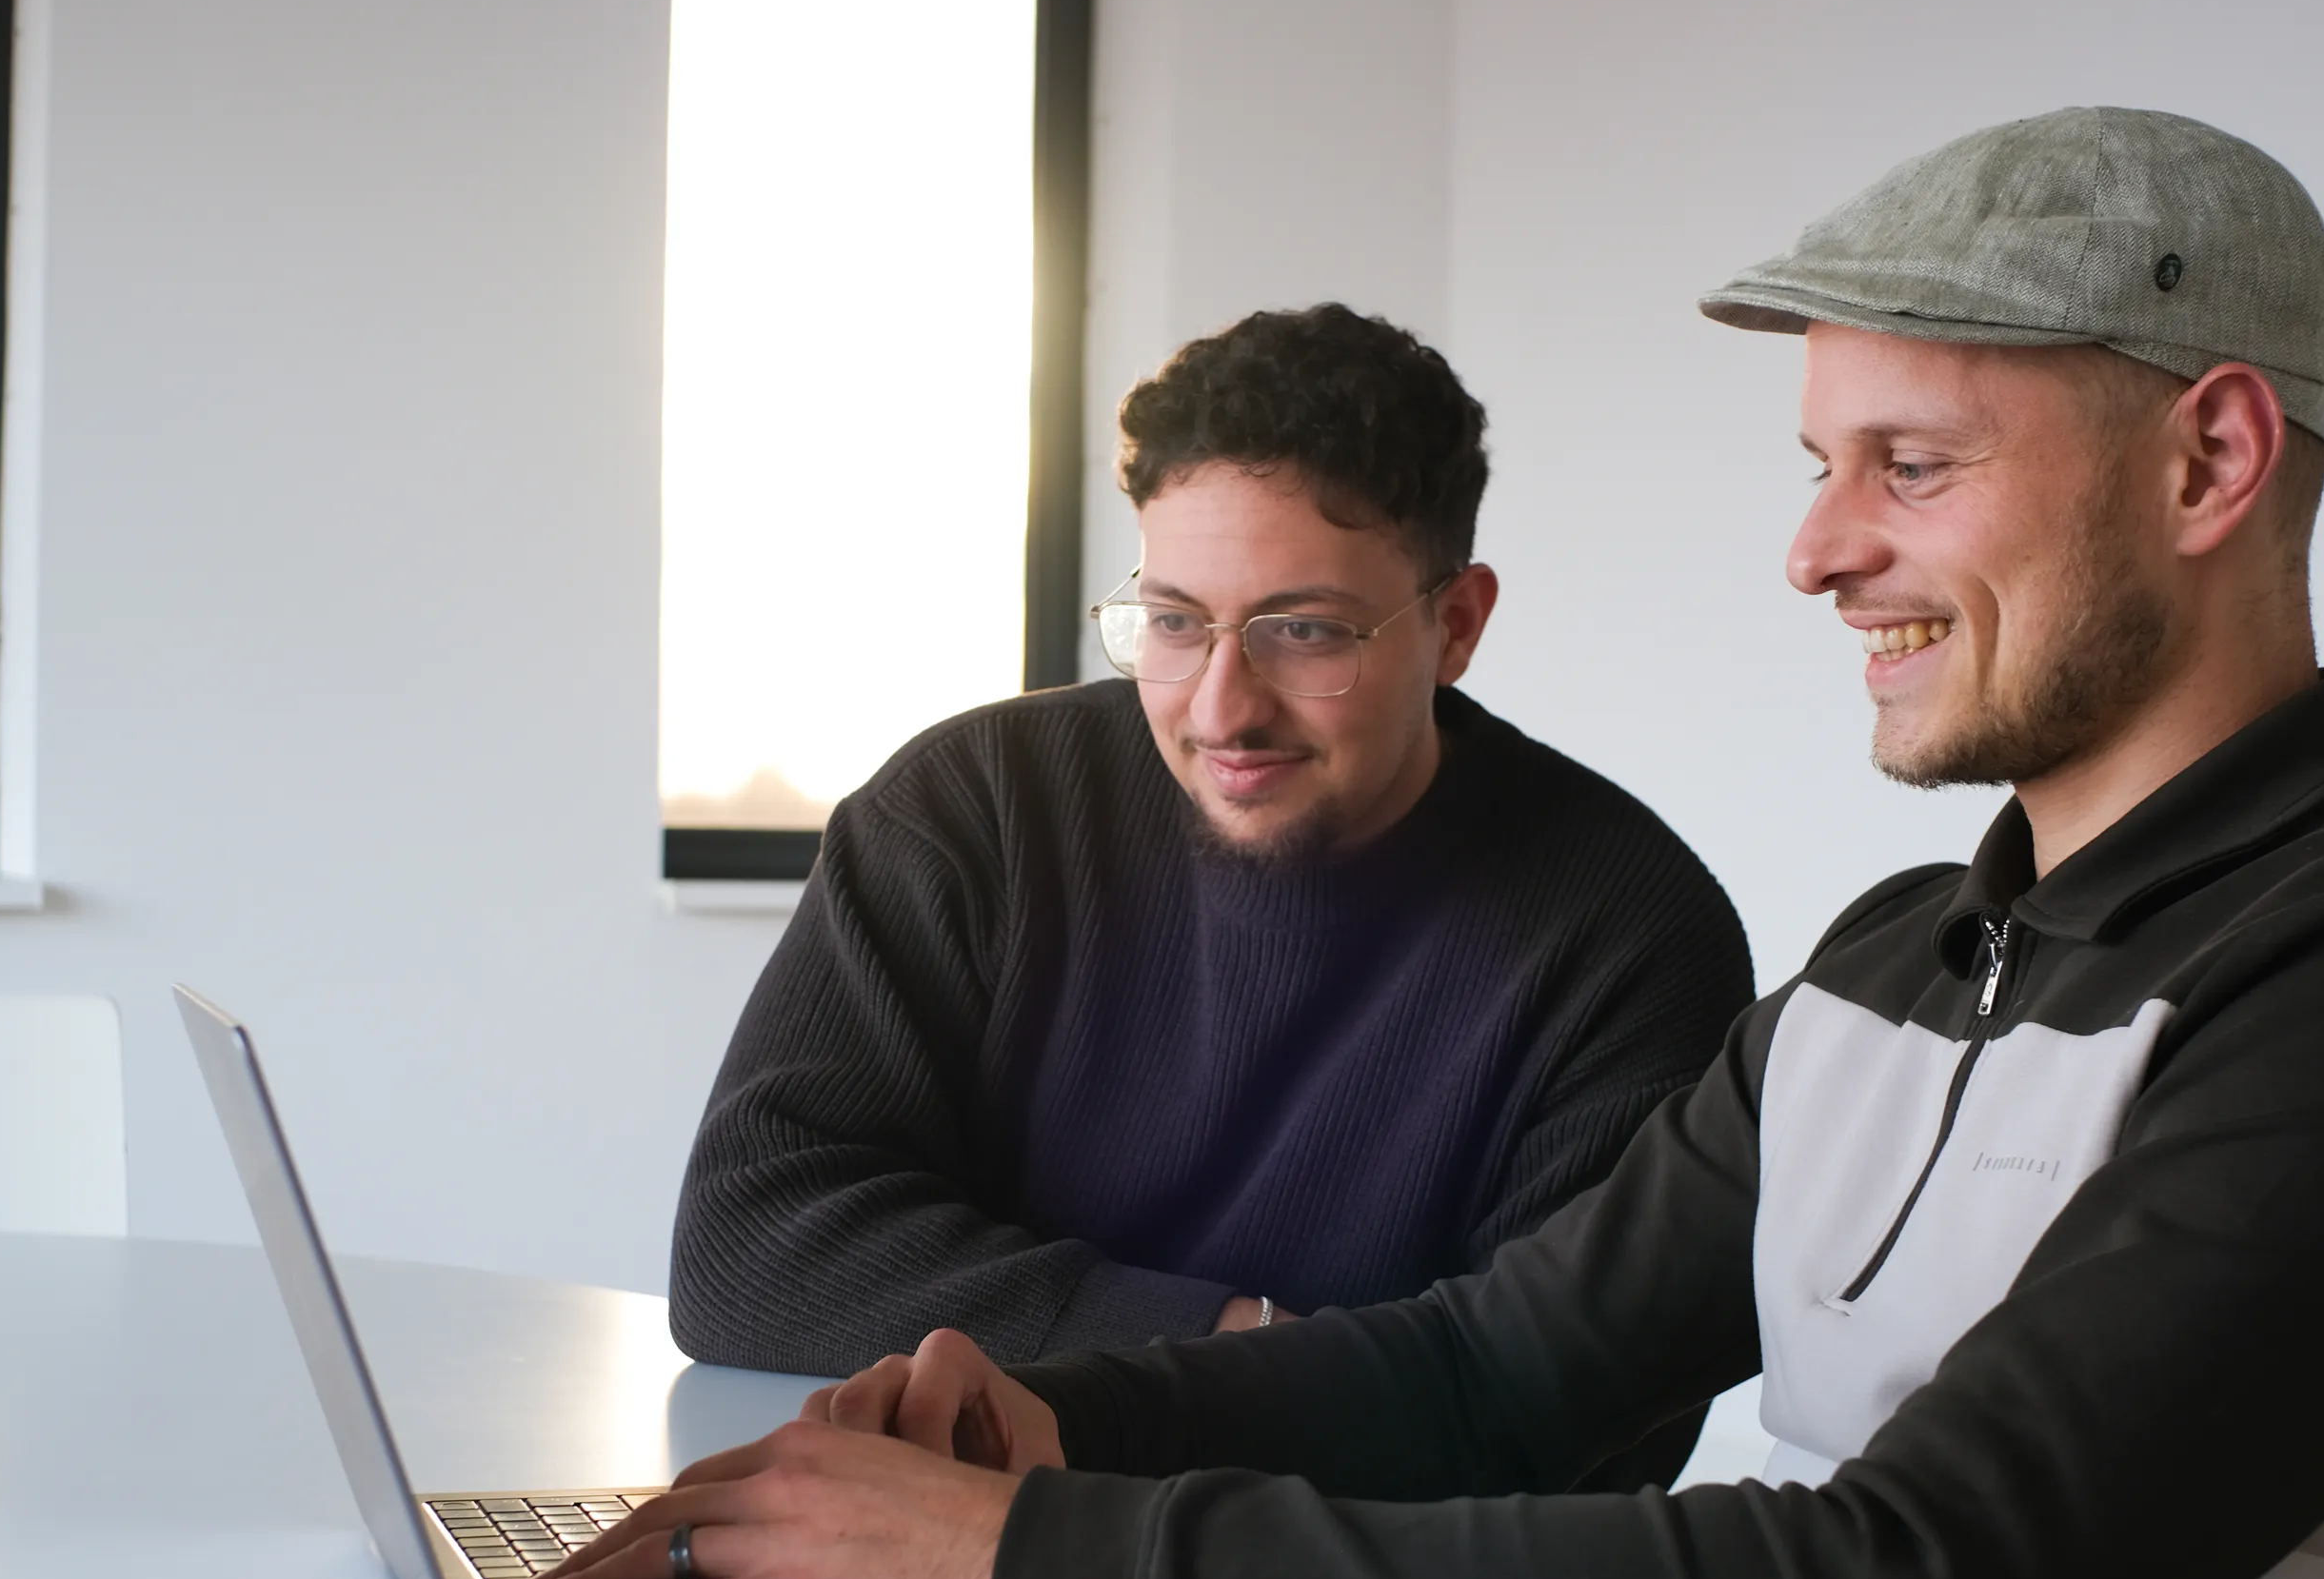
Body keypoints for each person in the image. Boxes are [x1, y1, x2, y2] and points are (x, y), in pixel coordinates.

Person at [527, 110, 2324, 1579]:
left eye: (1909, 465)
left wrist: (1021, 1560)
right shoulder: (1900, 962)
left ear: (2209, 459)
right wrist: (1039, 1423)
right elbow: (1496, 1369)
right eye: (1819, 468)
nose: (1816, 551)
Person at [668, 304, 1755, 1440]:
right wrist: (1249, 1346)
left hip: (1282, 1565)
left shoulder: (1626, 933)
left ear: (1456, 625)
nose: (1221, 711)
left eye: (1305, 631)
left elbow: (1569, 1429)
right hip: (941, 1516)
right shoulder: (975, 808)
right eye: (1174, 622)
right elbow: (746, 1248)